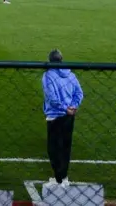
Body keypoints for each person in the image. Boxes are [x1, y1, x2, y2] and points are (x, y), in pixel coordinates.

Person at [42, 49, 84, 188]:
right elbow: (79, 92)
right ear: (62, 59)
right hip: (69, 116)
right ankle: (63, 178)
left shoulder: (48, 75)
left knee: (53, 149)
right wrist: (73, 107)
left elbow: (52, 97)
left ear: (50, 61)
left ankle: (59, 178)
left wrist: (64, 108)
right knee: (65, 147)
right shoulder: (71, 75)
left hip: (54, 116)